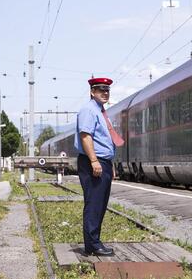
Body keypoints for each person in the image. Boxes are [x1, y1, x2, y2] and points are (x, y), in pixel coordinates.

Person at [74, 77, 124, 256]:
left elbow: (104, 140)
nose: (105, 93)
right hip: (92, 162)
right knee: (94, 204)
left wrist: (109, 164)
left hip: (102, 162)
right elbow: (86, 136)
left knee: (100, 203)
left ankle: (94, 242)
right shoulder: (88, 110)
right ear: (92, 92)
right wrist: (95, 161)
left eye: (107, 90)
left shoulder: (100, 111)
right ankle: (93, 245)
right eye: (101, 89)